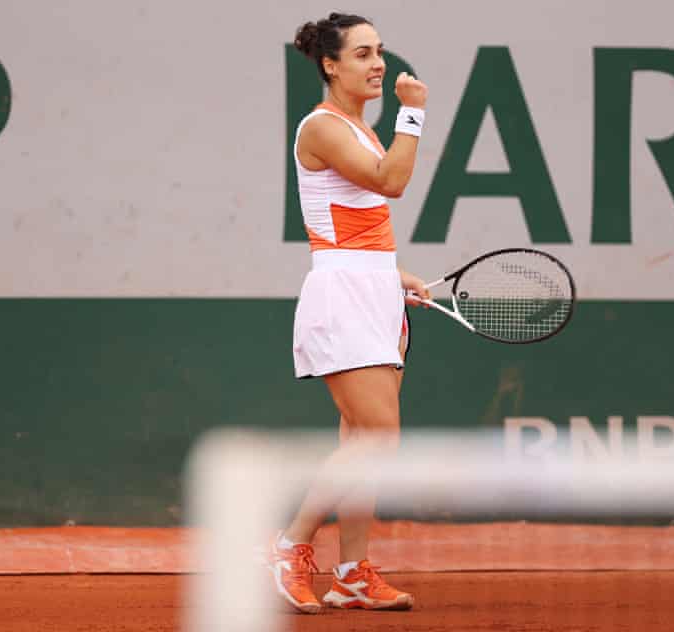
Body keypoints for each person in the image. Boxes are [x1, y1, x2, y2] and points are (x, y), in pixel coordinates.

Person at [267, 12, 430, 614]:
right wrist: (414, 111)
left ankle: (353, 573)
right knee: (379, 438)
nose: (379, 64)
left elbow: (355, 222)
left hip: (373, 291)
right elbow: (391, 182)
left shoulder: (359, 129)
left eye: (380, 51)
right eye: (362, 54)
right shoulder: (323, 127)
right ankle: (288, 547)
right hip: (341, 300)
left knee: (364, 438)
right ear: (330, 65)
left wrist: (393, 275)